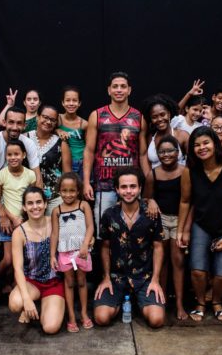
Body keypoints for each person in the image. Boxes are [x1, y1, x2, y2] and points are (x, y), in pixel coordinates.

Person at [177, 127, 222, 322]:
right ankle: (200, 303)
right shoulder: (190, 170)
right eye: (196, 145)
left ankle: (216, 302)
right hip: (202, 225)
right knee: (198, 270)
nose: (201, 147)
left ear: (215, 144)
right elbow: (185, 201)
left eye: (205, 143)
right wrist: (181, 231)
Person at [0, 106, 41, 300]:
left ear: (24, 124)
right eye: (11, 122)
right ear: (4, 122)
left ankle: (11, 282)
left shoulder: (27, 144)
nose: (15, 126)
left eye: (19, 123)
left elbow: (37, 179)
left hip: (18, 205)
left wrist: (30, 211)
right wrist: (3, 214)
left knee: (17, 251)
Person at [94, 168, 165, 328]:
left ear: (140, 188)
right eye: (124, 187)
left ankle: (138, 301)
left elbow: (158, 247)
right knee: (101, 318)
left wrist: (155, 280)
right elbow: (104, 247)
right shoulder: (109, 215)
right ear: (117, 189)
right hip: (116, 277)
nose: (128, 191)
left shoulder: (151, 214)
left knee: (156, 320)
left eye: (133, 186)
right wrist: (105, 277)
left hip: (144, 277)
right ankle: (121, 301)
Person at [83, 71, 148, 233]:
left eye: (123, 87)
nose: (119, 90)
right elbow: (89, 151)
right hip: (105, 184)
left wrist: (148, 183)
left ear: (129, 90)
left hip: (131, 185)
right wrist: (85, 182)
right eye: (115, 86)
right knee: (103, 232)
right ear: (109, 90)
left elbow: (143, 154)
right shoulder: (96, 115)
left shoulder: (138, 117)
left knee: (133, 231)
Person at [8, 187, 65, 334]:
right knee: (15, 303)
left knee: (50, 328)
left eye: (39, 202)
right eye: (30, 203)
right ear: (24, 207)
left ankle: (45, 306)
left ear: (45, 204)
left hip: (54, 282)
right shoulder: (19, 233)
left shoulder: (55, 222)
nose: (35, 207)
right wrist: (26, 300)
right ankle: (29, 304)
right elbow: (18, 269)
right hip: (31, 282)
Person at [143, 136, 187, 320]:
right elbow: (145, 197)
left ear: (178, 152)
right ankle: (162, 301)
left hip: (179, 221)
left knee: (178, 261)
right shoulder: (153, 174)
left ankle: (179, 304)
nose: (166, 154)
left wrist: (184, 229)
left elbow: (188, 201)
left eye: (170, 151)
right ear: (157, 155)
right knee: (162, 262)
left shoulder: (185, 172)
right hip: (160, 221)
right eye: (162, 152)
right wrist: (151, 200)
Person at [51, 172, 95, 332]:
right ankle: (71, 316)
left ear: (78, 191)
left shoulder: (83, 206)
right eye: (64, 191)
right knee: (69, 282)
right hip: (64, 252)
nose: (68, 194)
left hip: (81, 250)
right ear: (59, 191)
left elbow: (90, 226)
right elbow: (54, 234)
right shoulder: (57, 210)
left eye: (72, 191)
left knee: (82, 281)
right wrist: (52, 256)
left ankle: (83, 313)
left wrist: (85, 245)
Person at [0, 139, 37, 274]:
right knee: (8, 259)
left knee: (23, 259)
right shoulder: (1, 175)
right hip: (8, 223)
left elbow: (32, 199)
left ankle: (13, 285)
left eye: (16, 154)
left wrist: (25, 220)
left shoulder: (30, 175)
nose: (13, 157)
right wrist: (12, 218)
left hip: (25, 223)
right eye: (10, 155)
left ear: (24, 155)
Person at [27, 105, 72, 213]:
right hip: (27, 197)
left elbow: (67, 174)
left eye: (52, 120)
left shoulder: (61, 143)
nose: (48, 122)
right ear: (37, 117)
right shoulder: (25, 138)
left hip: (54, 198)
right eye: (45, 117)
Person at [140, 94, 189, 171]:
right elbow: (143, 157)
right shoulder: (150, 138)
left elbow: (192, 160)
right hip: (155, 181)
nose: (159, 119)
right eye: (154, 117)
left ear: (169, 114)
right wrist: (149, 178)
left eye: (162, 114)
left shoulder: (182, 135)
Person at [57, 86, 88, 177]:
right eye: (67, 100)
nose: (71, 103)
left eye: (74, 100)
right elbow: (46, 131)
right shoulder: (58, 119)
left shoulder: (84, 124)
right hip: (63, 162)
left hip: (81, 162)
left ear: (79, 103)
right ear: (63, 102)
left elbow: (89, 146)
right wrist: (58, 130)